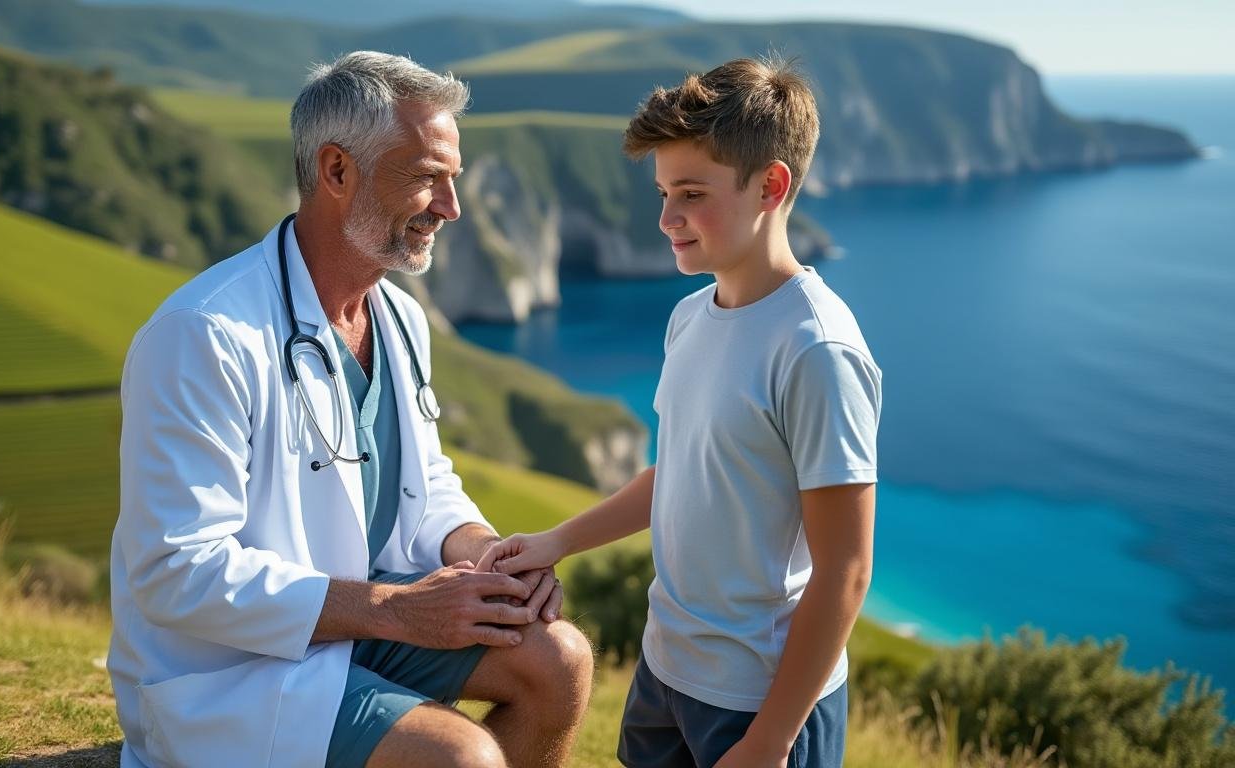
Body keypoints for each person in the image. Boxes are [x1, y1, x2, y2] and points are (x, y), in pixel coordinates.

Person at [109, 51, 593, 768]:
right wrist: (393, 611)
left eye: (452, 180)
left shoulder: (398, 317)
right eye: (428, 178)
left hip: (357, 622)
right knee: (461, 758)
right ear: (337, 172)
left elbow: (423, 485)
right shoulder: (204, 335)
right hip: (233, 668)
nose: (451, 208)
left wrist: (486, 557)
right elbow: (174, 570)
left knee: (561, 660)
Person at [476, 57, 882, 768]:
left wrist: (769, 742)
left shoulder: (817, 349)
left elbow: (845, 570)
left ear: (772, 186)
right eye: (664, 192)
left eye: (691, 193)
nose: (666, 219)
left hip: (764, 704)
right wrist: (557, 541)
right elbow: (683, 473)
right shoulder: (691, 317)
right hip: (667, 672)